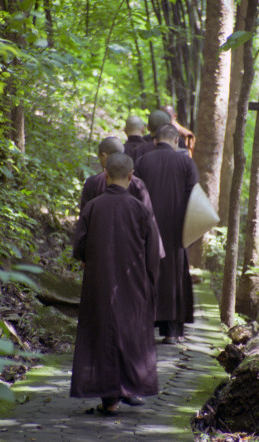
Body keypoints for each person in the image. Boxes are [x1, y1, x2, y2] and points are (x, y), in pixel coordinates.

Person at [70, 153, 160, 416]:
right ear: (131, 177)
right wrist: (149, 280)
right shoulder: (140, 209)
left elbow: (80, 247)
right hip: (133, 281)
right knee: (129, 330)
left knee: (102, 332)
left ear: (106, 174)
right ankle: (128, 388)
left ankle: (108, 399)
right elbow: (152, 251)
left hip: (99, 281)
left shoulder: (93, 207)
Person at [134, 124, 199, 344]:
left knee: (147, 275)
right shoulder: (186, 163)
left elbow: (134, 196)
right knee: (174, 277)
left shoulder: (142, 162)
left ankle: (144, 328)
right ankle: (172, 332)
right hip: (176, 231)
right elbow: (195, 198)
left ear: (154, 141)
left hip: (147, 230)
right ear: (176, 142)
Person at [80, 136, 165, 258]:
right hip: (132, 253)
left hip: (99, 253)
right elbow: (149, 221)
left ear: (103, 155)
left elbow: (84, 223)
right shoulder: (138, 184)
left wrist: (83, 254)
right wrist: (152, 256)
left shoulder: (93, 183)